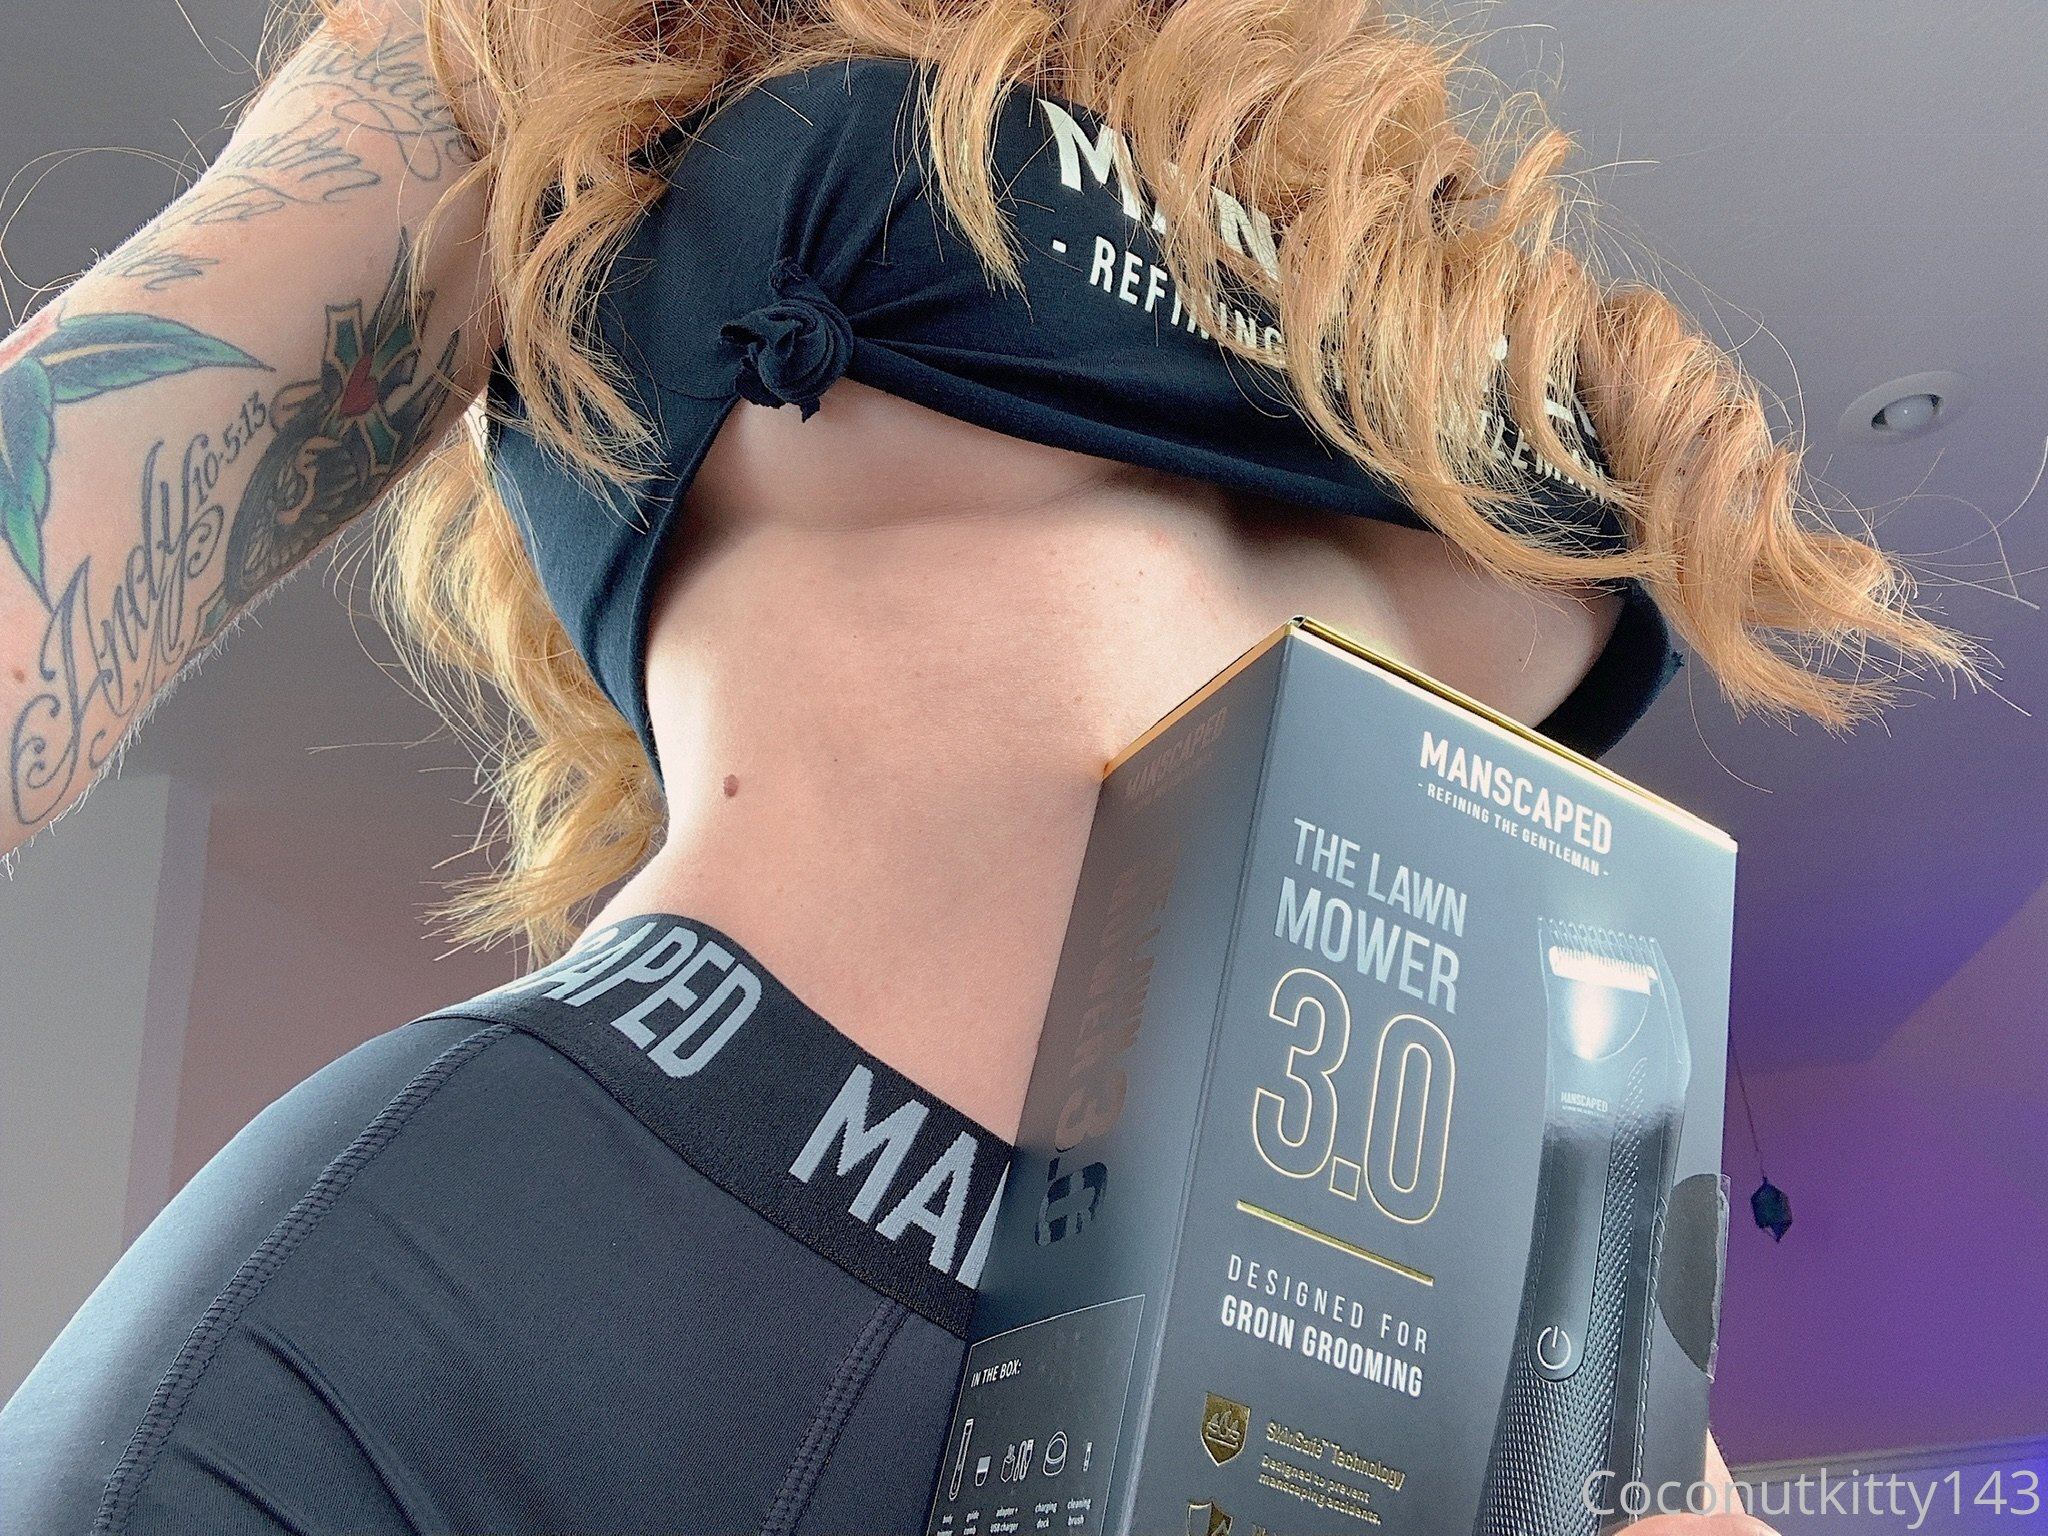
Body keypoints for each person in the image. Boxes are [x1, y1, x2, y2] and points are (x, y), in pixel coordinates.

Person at [0, 0, 1972, 1531]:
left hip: (1395, 1396)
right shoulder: (592, 42)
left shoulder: (1403, 214)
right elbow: (90, 475)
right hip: (620, 1307)